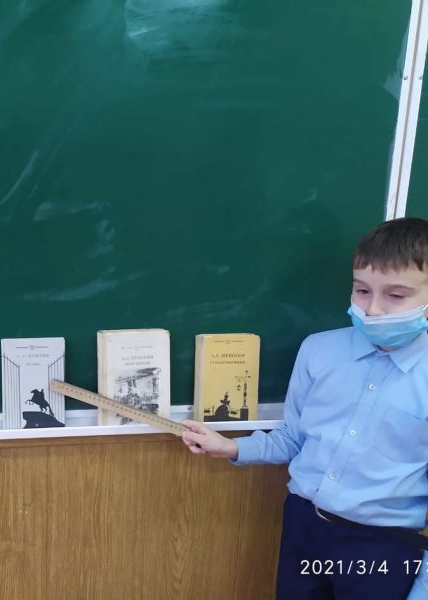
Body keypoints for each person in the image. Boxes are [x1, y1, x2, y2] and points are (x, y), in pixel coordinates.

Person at [182, 217, 428, 600]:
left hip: (383, 545)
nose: (373, 309)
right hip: (304, 525)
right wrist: (231, 447)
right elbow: (292, 437)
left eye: (396, 296)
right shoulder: (319, 350)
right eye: (362, 290)